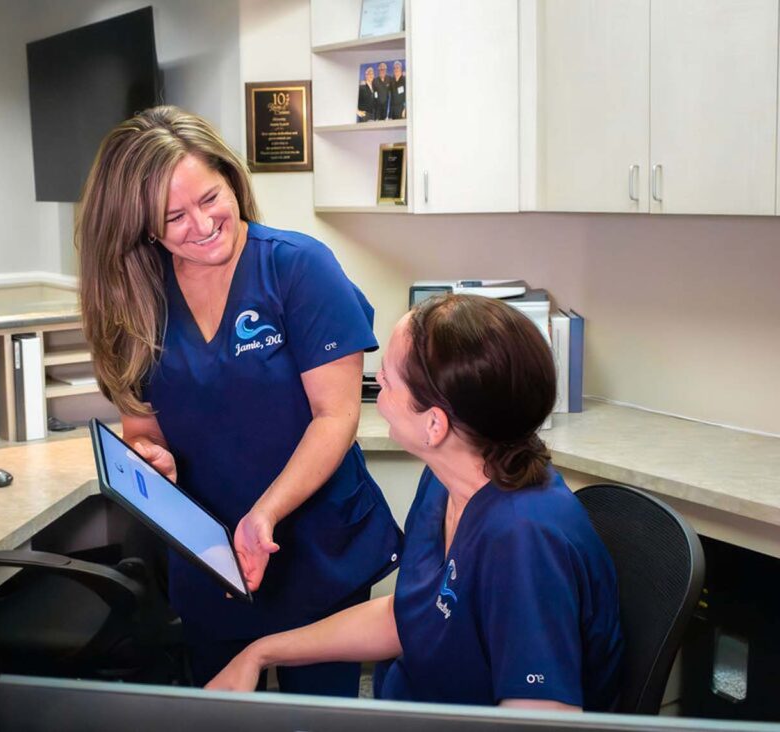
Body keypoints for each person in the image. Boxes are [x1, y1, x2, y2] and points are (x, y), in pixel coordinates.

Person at [76, 106, 403, 696]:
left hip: (315, 551)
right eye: (173, 217)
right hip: (212, 561)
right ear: (144, 228)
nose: (201, 225)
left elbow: (337, 417)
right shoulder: (137, 300)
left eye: (210, 198)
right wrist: (153, 459)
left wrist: (265, 514)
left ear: (231, 180)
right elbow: (142, 429)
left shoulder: (298, 268)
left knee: (318, 717)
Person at [207, 294, 624, 711]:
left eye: (387, 380)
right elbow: (411, 616)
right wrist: (261, 653)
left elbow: (539, 717)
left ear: (434, 425)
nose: (377, 388)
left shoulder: (524, 539)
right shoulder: (446, 481)